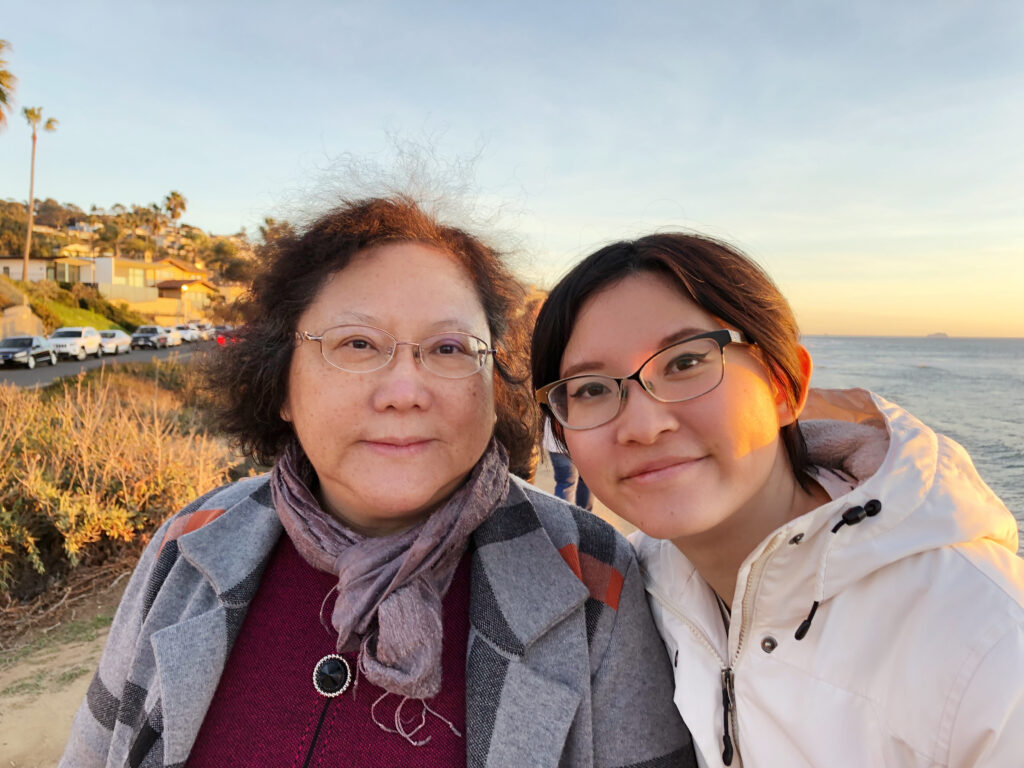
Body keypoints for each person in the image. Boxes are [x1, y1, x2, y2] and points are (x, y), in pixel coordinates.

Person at [59, 198, 695, 767]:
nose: (403, 392)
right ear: (282, 383)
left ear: (493, 387)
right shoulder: (191, 542)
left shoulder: (588, 574)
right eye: (358, 344)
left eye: (449, 349)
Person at [530, 232, 1024, 768]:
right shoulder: (630, 590)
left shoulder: (984, 642)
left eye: (686, 362)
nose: (644, 426)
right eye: (591, 389)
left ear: (785, 385)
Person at [544, 417, 592, 510]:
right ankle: (585, 521)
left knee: (565, 484)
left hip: (556, 438)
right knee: (586, 480)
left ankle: (563, 521)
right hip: (585, 437)